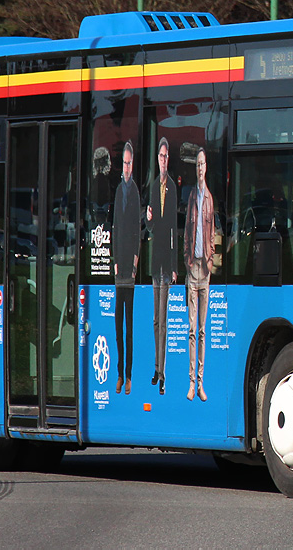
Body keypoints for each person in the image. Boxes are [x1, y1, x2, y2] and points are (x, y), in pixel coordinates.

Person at [183, 147, 215, 402]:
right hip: (192, 270)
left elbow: (212, 234)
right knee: (192, 330)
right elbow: (186, 233)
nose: (200, 168)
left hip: (205, 271)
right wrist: (187, 261)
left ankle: (201, 382)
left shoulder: (210, 198)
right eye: (197, 165)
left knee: (203, 330)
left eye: (203, 164)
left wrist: (210, 263)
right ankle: (191, 383)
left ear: (207, 167)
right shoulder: (192, 196)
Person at [146, 137, 177, 395]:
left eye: (166, 157)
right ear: (157, 159)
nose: (163, 160)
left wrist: (175, 265)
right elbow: (153, 227)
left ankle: (163, 372)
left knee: (164, 320)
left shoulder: (173, 189)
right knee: (156, 320)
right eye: (161, 156)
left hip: (167, 262)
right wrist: (148, 220)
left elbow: (173, 231)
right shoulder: (154, 186)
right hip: (155, 261)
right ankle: (156, 368)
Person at [112, 141, 141, 395]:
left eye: (130, 163)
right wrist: (115, 261)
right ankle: (119, 373)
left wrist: (133, 264)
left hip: (129, 274)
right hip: (118, 268)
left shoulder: (135, 193)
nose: (127, 167)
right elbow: (115, 228)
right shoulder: (119, 190)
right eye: (124, 162)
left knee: (129, 326)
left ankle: (129, 376)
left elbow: (136, 231)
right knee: (116, 324)